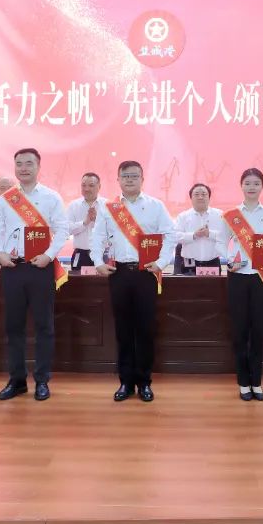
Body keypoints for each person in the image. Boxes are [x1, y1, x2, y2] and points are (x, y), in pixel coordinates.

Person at [91, 161, 177, 402]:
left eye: (134, 176)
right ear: (118, 179)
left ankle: (145, 382)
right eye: (125, 176)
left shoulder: (155, 206)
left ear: (142, 179)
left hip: (146, 273)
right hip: (118, 273)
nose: (129, 179)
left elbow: (170, 235)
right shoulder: (109, 208)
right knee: (123, 329)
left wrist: (161, 262)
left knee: (145, 329)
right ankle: (125, 382)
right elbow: (97, 236)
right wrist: (97, 261)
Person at [0, 148, 69, 402]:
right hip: (12, 268)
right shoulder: (6, 199)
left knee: (44, 326)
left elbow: (62, 229)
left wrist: (48, 255)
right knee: (14, 326)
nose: (23, 168)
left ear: (38, 167)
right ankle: (17, 380)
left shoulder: (51, 197)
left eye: (29, 164)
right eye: (19, 164)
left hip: (40, 268)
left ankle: (42, 380)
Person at [221, 168, 263, 401]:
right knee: (239, 331)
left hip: (261, 278)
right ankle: (243, 382)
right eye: (247, 183)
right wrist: (229, 260)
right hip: (237, 277)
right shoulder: (231, 215)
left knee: (258, 330)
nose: (251, 187)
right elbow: (220, 242)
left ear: (262, 186)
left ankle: (256, 382)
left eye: (256, 183)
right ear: (241, 185)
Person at [174, 183, 226, 274]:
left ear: (209, 197)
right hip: (189, 264)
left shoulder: (220, 215)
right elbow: (175, 236)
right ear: (191, 198)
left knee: (214, 284)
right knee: (187, 284)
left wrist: (209, 234)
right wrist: (193, 235)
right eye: (196, 194)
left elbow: (226, 236)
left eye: (204, 194)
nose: (200, 197)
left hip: (212, 263)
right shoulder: (183, 216)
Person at [66, 172, 106, 271]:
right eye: (83, 185)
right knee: (80, 281)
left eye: (91, 185)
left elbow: (113, 231)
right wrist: (84, 222)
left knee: (105, 281)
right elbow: (67, 229)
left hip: (103, 254)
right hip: (81, 255)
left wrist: (97, 221)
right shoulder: (73, 205)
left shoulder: (107, 205)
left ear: (99, 186)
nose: (86, 189)